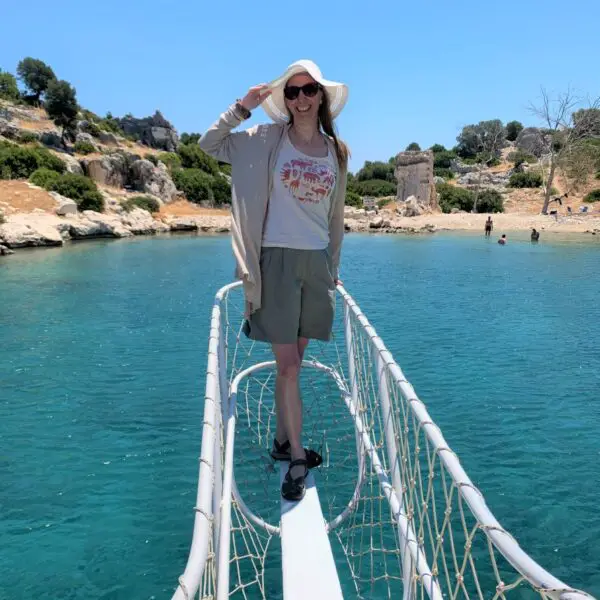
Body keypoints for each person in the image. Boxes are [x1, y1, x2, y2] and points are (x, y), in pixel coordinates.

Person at [199, 60, 349, 502]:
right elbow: (210, 145)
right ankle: (297, 457)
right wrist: (242, 106)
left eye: (309, 91)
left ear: (321, 96)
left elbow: (335, 217)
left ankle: (284, 442)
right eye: (292, 92)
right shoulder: (265, 140)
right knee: (287, 368)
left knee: (295, 365)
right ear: (284, 100)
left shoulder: (338, 152)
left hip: (317, 264)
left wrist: (333, 266)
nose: (301, 99)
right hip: (276, 261)